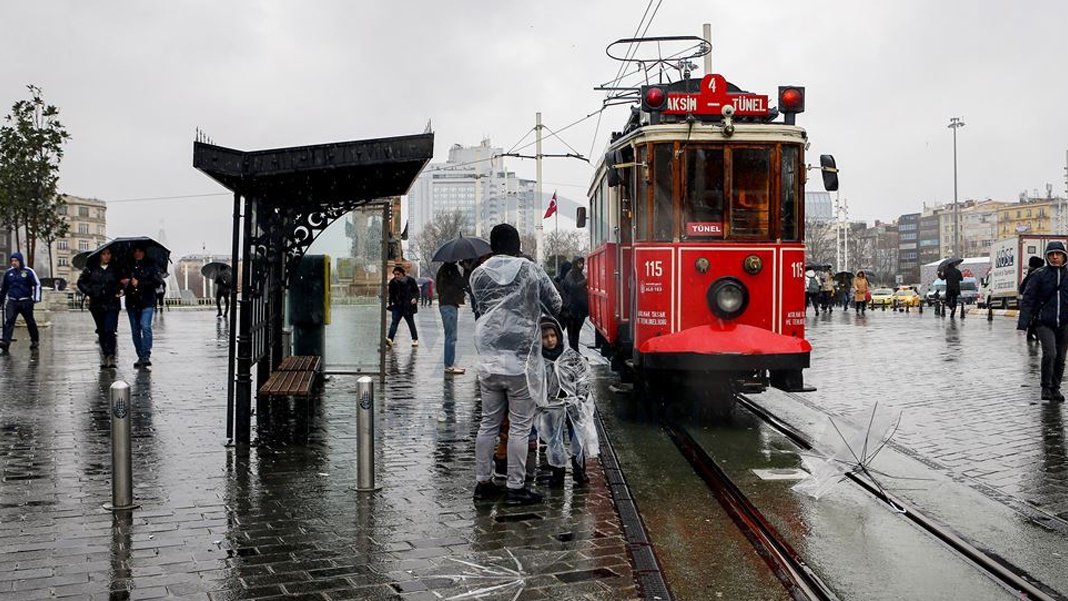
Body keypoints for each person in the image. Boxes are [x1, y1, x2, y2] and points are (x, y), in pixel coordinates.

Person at [470, 223, 562, 506]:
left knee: (488, 424)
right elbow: (555, 303)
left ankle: (483, 483)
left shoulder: (478, 275)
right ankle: (515, 486)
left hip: (489, 359)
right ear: (517, 243)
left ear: (491, 245)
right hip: (521, 361)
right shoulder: (530, 270)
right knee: (521, 427)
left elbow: (482, 308)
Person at [537, 318, 598, 487]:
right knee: (554, 441)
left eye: (553, 336)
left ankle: (579, 470)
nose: (550, 340)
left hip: (572, 405)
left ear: (559, 336)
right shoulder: (537, 361)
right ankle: (558, 473)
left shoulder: (570, 357)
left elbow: (583, 378)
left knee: (577, 438)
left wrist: (580, 397)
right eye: (545, 337)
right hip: (551, 406)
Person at [1018, 241, 1068, 402]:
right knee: (1050, 353)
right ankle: (1045, 387)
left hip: (1065, 323)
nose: (1055, 257)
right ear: (1047, 256)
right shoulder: (1039, 275)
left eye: (1058, 254)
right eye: (1051, 254)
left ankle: (1055, 388)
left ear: (1064, 256)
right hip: (1044, 322)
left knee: (1060, 357)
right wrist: (1023, 324)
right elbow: (1028, 299)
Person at [77, 248, 123, 369]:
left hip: (112, 303)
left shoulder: (115, 268)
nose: (106, 256)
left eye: (109, 254)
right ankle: (105, 354)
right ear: (99, 256)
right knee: (102, 330)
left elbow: (121, 282)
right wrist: (91, 291)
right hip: (97, 304)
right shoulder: (91, 269)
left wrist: (120, 289)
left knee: (109, 329)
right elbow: (81, 282)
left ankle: (111, 355)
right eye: (104, 254)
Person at [121, 245, 163, 369]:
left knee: (145, 326)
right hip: (132, 302)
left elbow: (157, 281)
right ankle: (140, 355)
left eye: (140, 251)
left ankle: (146, 355)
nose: (138, 253)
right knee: (135, 330)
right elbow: (120, 281)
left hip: (146, 301)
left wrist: (141, 282)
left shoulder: (151, 265)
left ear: (144, 253)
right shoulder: (127, 266)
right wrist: (124, 284)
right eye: (136, 251)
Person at [0, 252, 41, 353]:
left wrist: (35, 298)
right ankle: (6, 342)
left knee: (30, 321)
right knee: (9, 321)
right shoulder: (8, 273)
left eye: (16, 261)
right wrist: (1, 301)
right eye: (12, 261)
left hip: (25, 301)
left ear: (20, 261)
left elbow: (37, 284)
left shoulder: (28, 271)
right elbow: (4, 288)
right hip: (12, 301)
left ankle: (34, 341)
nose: (14, 263)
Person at [436, 261, 465, 374]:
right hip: (449, 304)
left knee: (450, 336)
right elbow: (460, 283)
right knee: (451, 336)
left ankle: (450, 363)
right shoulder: (451, 270)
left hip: (446, 303)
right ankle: (449, 365)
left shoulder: (443, 270)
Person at [386, 265, 419, 347]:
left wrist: (415, 298)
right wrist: (391, 304)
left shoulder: (410, 280)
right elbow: (391, 294)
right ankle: (390, 339)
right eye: (395, 274)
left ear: (403, 274)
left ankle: (415, 339)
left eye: (398, 274)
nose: (396, 276)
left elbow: (416, 291)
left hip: (408, 305)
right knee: (394, 322)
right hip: (397, 305)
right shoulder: (393, 282)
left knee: (410, 323)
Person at [562, 256, 588, 350]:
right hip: (572, 309)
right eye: (579, 263)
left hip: (579, 309)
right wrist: (586, 281)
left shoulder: (579, 274)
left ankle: (575, 352)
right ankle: (573, 352)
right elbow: (573, 286)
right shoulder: (571, 274)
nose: (581, 265)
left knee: (576, 333)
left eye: (582, 263)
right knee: (572, 334)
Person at [1019, 255, 1045, 342]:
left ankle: (1032, 334)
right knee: (1035, 319)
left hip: (1033, 303)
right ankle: (1033, 334)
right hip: (1036, 302)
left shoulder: (1030, 274)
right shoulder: (1037, 275)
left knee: (1032, 318)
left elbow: (1022, 288)